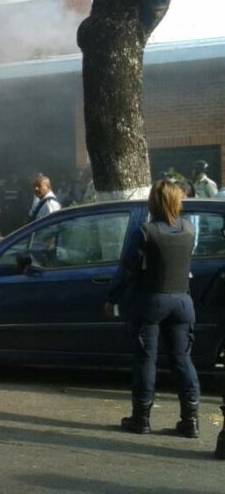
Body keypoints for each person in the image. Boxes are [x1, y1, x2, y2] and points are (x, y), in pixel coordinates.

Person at [107, 180, 201, 438]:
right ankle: (190, 420)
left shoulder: (145, 231)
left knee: (146, 359)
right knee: (182, 360)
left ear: (154, 202)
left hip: (151, 301)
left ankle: (142, 419)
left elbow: (128, 269)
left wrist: (112, 297)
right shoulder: (189, 229)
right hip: (183, 302)